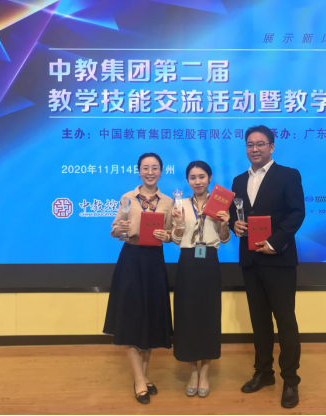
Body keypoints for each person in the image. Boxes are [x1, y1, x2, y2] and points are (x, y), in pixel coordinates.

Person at [229, 126, 306, 409]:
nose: (255, 149)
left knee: (285, 321)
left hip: (279, 259)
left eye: (260, 144)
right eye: (250, 144)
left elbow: (297, 213)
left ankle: (291, 380)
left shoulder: (288, 175)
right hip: (250, 261)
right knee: (259, 321)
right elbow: (234, 214)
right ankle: (263, 372)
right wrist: (234, 226)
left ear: (271, 147)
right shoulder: (238, 180)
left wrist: (275, 242)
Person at [103, 153, 174, 405]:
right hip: (131, 260)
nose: (150, 172)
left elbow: (171, 233)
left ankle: (143, 375)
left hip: (154, 261)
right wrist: (119, 230)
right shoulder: (127, 198)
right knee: (132, 319)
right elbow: (115, 230)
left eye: (155, 168)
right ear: (139, 171)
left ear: (161, 171)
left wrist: (167, 236)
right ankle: (139, 380)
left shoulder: (168, 201)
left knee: (150, 318)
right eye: (145, 168)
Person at [171, 161, 231, 398]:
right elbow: (176, 239)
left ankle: (205, 372)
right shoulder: (180, 204)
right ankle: (192, 372)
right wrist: (177, 225)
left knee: (208, 316)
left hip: (209, 261)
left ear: (210, 178)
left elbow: (224, 239)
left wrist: (224, 224)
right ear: (188, 180)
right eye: (193, 177)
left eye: (202, 176)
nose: (197, 181)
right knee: (187, 317)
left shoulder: (220, 203)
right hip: (187, 262)